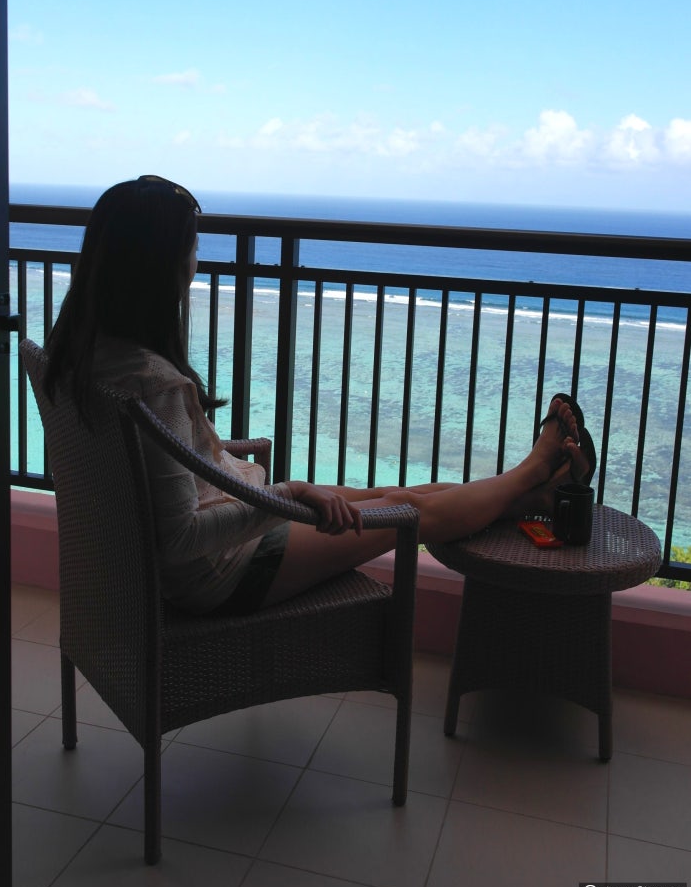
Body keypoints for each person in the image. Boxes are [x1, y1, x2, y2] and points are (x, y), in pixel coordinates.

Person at [45, 175, 592, 615]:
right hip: (220, 571)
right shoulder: (153, 382)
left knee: (392, 492)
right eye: (192, 248)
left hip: (213, 534)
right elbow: (181, 538)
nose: (195, 262)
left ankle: (531, 498)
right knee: (405, 511)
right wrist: (289, 494)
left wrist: (281, 497)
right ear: (159, 266)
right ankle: (533, 470)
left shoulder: (77, 353)